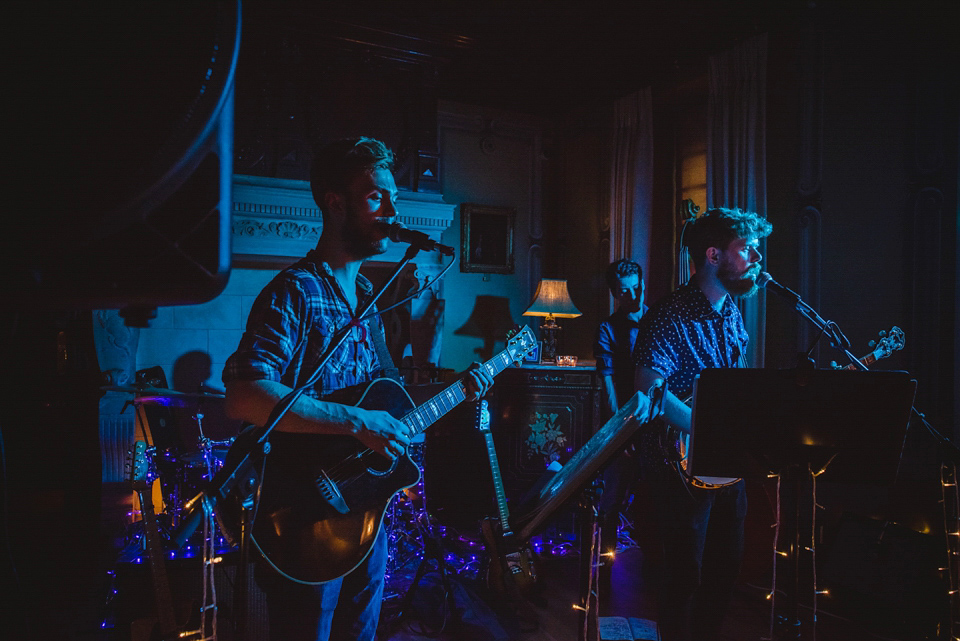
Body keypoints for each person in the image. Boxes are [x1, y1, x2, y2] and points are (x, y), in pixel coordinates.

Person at [222, 136, 494, 641]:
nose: (393, 210)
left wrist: (450, 384)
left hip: (364, 515)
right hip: (303, 511)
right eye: (376, 197)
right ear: (335, 203)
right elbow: (243, 394)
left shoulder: (369, 297)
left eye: (394, 197)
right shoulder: (296, 291)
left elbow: (385, 403)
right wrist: (356, 422)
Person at [632, 207, 772, 641]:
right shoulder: (669, 314)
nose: (755, 257)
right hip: (679, 468)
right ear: (713, 255)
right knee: (683, 577)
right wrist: (708, 428)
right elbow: (650, 389)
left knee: (724, 572)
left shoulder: (732, 312)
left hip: (727, 465)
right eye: (745, 249)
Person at [593, 259, 647, 563]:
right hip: (622, 419)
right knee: (612, 496)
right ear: (615, 293)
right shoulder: (607, 329)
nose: (635, 296)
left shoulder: (657, 319)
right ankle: (606, 559)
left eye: (638, 287)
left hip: (657, 421)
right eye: (626, 291)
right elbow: (609, 383)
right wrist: (620, 430)